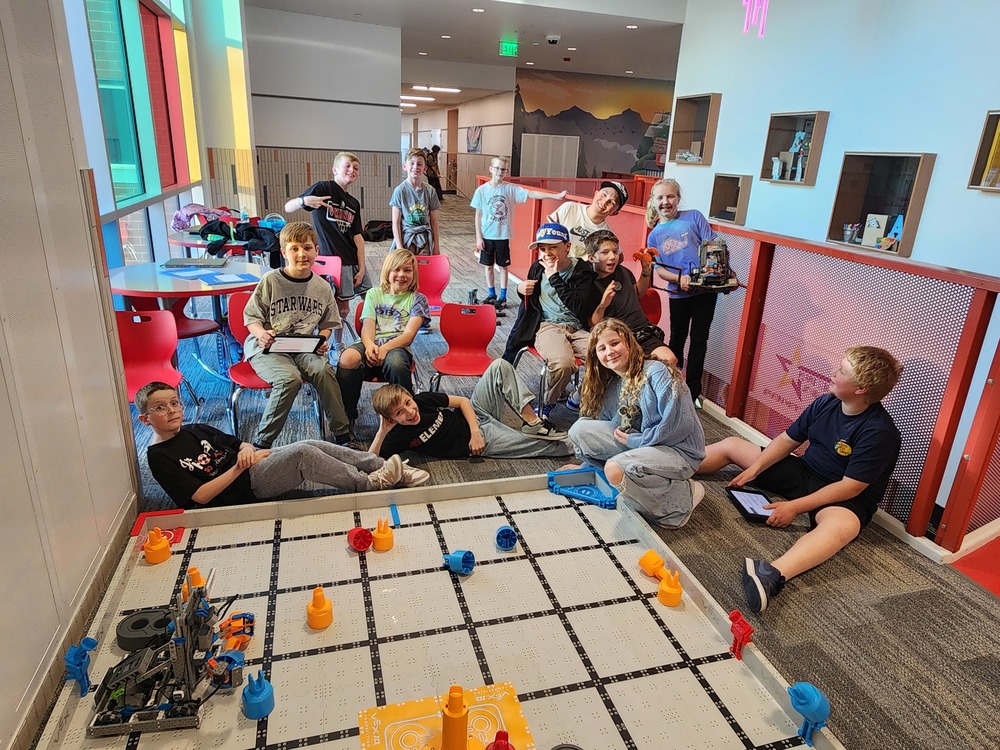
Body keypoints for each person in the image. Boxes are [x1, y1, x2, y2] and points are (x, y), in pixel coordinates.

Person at [697, 346, 903, 614]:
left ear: (861, 389)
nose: (832, 372)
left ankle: (772, 574)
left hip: (846, 497)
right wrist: (756, 468)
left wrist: (795, 507)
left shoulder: (880, 432)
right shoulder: (825, 403)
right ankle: (665, 466)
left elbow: (851, 486)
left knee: (841, 528)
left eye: (841, 371)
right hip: (805, 472)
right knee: (733, 445)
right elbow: (787, 440)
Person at [137, 381, 429, 510]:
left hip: (248, 467)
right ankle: (368, 484)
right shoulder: (158, 456)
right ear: (146, 419)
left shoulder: (194, 429)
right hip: (240, 490)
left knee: (311, 442)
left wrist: (247, 451)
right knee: (304, 455)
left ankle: (384, 469)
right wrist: (241, 467)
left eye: (174, 403)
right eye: (161, 408)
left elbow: (239, 443)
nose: (172, 410)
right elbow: (198, 498)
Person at [562, 319, 706, 529]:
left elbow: (678, 425)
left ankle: (681, 500)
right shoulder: (613, 384)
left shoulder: (656, 371)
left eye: (614, 343)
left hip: (677, 449)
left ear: (628, 343)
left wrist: (636, 440)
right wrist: (585, 466)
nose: (609, 351)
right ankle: (634, 482)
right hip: (641, 444)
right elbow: (610, 428)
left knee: (616, 468)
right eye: (601, 348)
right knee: (578, 431)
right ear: (596, 357)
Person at [242, 221, 353, 449]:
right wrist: (262, 333)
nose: (302, 254)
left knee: (324, 370)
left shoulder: (322, 287)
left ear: (316, 251)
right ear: (284, 252)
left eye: (307, 248)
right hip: (268, 347)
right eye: (294, 248)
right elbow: (251, 318)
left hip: (303, 345)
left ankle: (342, 434)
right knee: (289, 379)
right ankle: (261, 443)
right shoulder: (271, 281)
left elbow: (328, 323)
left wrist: (323, 338)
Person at [370, 359, 572, 461]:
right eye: (399, 413)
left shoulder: (422, 400)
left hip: (476, 414)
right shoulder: (398, 435)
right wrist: (381, 432)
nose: (410, 412)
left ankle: (533, 422)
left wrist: (474, 430)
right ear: (391, 419)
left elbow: (463, 402)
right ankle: (582, 445)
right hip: (483, 440)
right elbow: (370, 462)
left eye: (407, 403)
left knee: (499, 365)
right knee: (543, 446)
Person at [501, 223, 598, 418]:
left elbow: (580, 306)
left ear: (567, 247)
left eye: (553, 247)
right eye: (543, 249)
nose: (547, 253)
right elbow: (531, 302)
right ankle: (547, 403)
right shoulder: (537, 268)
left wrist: (555, 277)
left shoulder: (581, 270)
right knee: (564, 363)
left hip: (577, 328)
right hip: (548, 326)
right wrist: (520, 289)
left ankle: (577, 397)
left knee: (604, 358)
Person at [337, 249, 430, 427]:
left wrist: (385, 348)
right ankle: (347, 416)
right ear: (387, 271)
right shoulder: (374, 294)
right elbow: (367, 328)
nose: (401, 275)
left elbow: (409, 335)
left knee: (395, 362)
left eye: (407, 270)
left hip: (397, 347)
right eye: (396, 270)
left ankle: (402, 419)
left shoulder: (418, 299)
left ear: (414, 273)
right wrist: (370, 344)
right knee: (347, 358)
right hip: (370, 343)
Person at [646, 178, 717, 405]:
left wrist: (711, 272)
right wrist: (680, 278)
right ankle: (671, 387)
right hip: (679, 295)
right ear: (654, 202)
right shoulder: (654, 235)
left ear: (677, 198)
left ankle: (693, 391)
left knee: (699, 340)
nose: (666, 202)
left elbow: (712, 246)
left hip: (705, 292)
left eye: (670, 197)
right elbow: (661, 270)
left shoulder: (693, 217)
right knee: (677, 338)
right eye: (660, 198)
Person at [284, 151, 371, 325]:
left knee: (371, 300)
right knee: (342, 308)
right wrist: (304, 201)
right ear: (335, 169)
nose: (352, 170)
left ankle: (375, 335)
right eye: (347, 166)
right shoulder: (324, 188)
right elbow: (288, 207)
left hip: (352, 258)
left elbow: (358, 237)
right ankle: (336, 345)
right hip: (333, 260)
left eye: (355, 168)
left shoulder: (353, 203)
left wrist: (362, 267)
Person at [470, 155, 568, 308]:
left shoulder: (510, 189)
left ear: (506, 171)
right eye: (497, 168)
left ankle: (502, 296)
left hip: (502, 236)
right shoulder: (482, 191)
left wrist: (555, 196)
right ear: (491, 169)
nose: (500, 172)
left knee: (503, 266)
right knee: (488, 265)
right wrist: (478, 237)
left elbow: (531, 194)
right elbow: (478, 214)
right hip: (486, 235)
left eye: (503, 169)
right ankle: (491, 294)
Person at [586, 229, 677, 366]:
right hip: (617, 338)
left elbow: (638, 294)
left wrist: (645, 273)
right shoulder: (587, 283)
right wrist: (603, 304)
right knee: (642, 369)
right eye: (605, 253)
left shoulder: (623, 271)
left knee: (670, 360)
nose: (613, 257)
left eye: (615, 252)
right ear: (592, 257)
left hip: (642, 332)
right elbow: (592, 325)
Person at [547, 180, 628, 259]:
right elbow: (547, 234)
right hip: (551, 264)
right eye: (604, 195)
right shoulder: (569, 208)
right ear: (596, 193)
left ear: (614, 213)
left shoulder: (606, 234)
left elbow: (620, 258)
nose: (604, 202)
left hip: (579, 271)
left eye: (612, 202)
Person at [390, 147, 441, 255]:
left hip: (425, 238)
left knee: (424, 269)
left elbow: (434, 221)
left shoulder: (430, 191)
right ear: (405, 166)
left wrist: (436, 246)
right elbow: (396, 222)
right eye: (412, 163)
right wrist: (399, 247)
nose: (415, 167)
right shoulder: (400, 191)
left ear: (425, 168)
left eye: (419, 164)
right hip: (406, 238)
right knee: (408, 269)